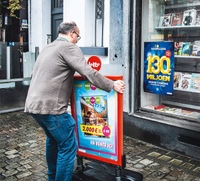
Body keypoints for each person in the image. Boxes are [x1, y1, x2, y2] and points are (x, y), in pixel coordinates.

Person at [24, 20, 125, 181]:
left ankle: (52, 177)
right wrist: (112, 84)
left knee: (53, 141)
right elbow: (87, 72)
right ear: (72, 33)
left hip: (33, 105)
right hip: (52, 108)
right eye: (78, 36)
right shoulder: (69, 47)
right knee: (68, 146)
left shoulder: (48, 48)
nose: (78, 39)